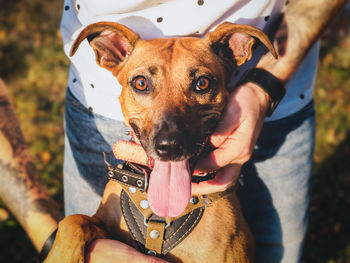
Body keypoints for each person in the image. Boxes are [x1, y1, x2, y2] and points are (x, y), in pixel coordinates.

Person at [0, 0, 345, 263]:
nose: (168, 139)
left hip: (277, 99)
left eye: (200, 83)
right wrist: (58, 237)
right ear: (108, 52)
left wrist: (265, 84)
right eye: (141, 84)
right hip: (97, 112)